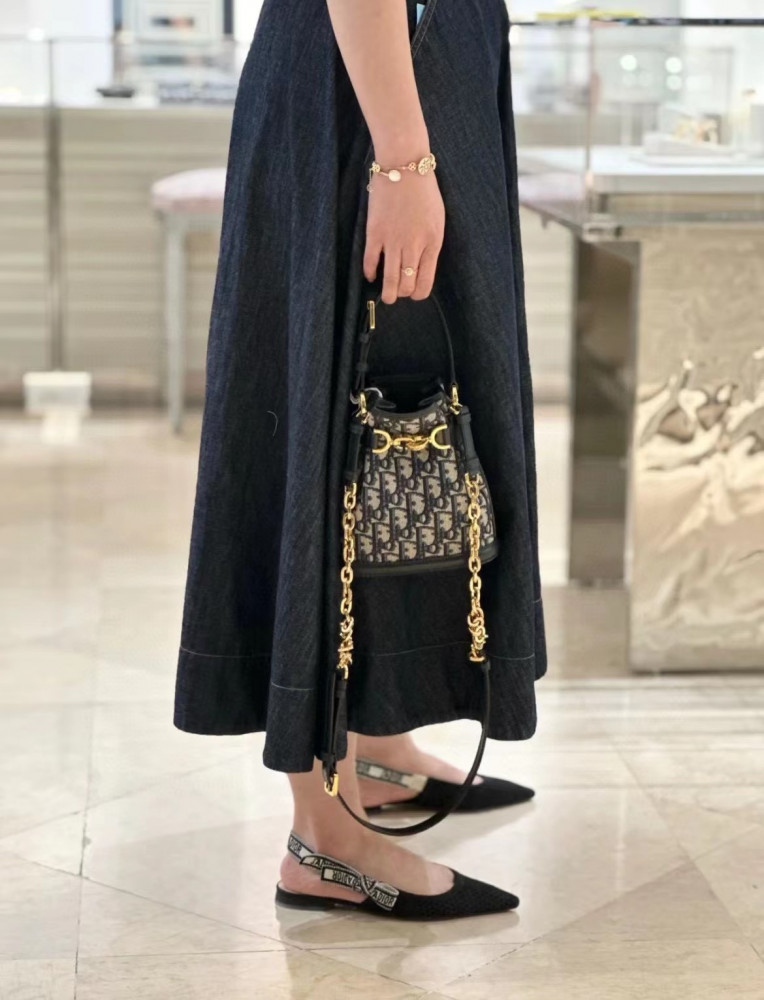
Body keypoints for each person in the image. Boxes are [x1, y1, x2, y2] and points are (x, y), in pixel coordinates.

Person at [174, 0, 546, 921]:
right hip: (366, 98)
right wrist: (402, 158)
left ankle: (376, 740)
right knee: (341, 420)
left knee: (401, 399)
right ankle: (323, 834)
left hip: (403, 84)